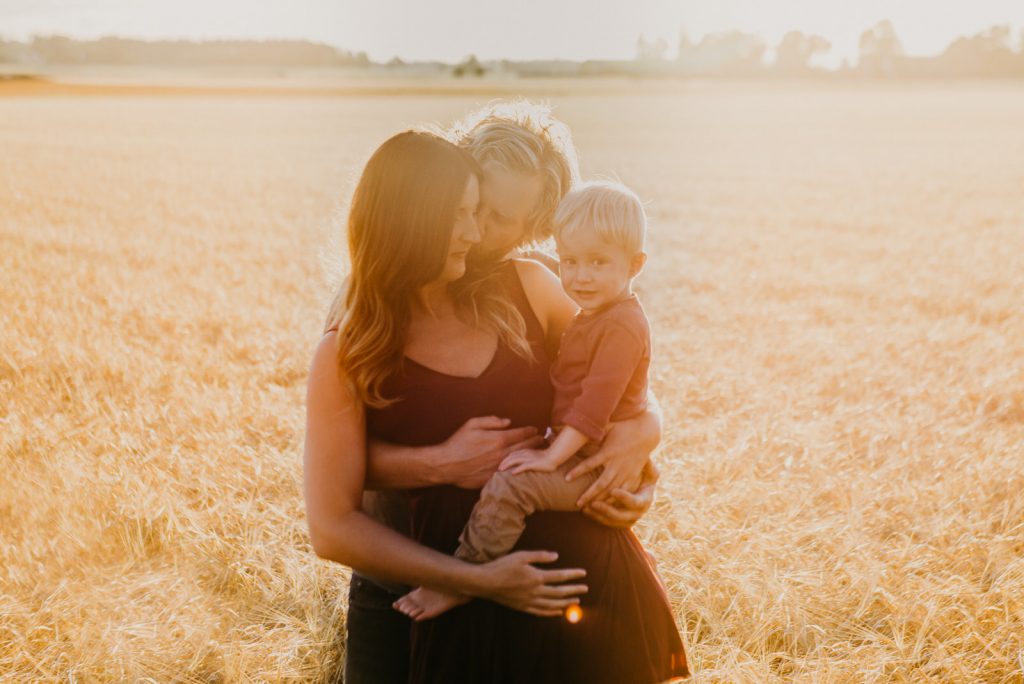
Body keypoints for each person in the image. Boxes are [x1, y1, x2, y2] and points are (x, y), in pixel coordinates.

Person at [323, 101, 671, 683]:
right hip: (403, 576)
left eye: (503, 217)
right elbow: (334, 475)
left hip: (548, 582)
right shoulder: (364, 309)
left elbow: (620, 375)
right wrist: (436, 464)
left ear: (535, 225)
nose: (478, 228)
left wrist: (643, 435)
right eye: (474, 203)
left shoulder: (535, 287)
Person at [392, 180, 678, 642]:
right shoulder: (595, 313)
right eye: (569, 262)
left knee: (513, 487)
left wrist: (549, 455)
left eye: (598, 263)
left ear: (636, 265)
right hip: (580, 453)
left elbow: (594, 408)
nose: (580, 276)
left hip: (589, 461)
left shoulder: (621, 325)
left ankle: (460, 578)